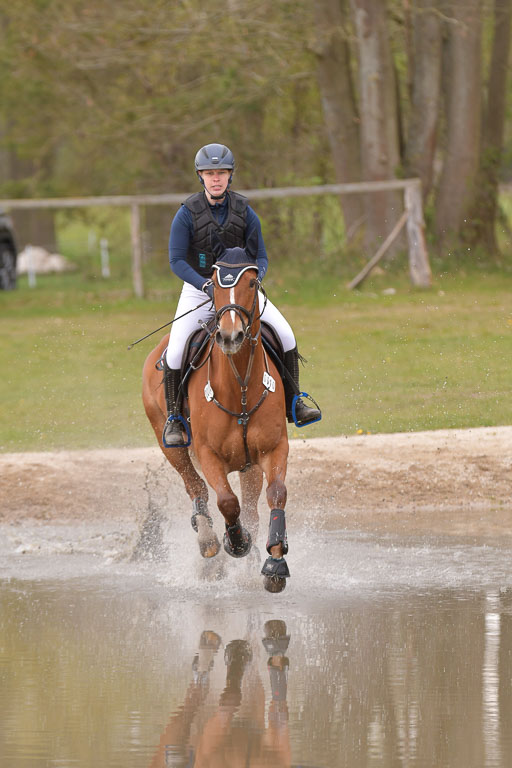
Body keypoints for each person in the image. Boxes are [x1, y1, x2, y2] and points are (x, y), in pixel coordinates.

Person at [163, 142, 321, 447]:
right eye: (210, 173)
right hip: (200, 290)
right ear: (200, 176)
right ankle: (174, 418)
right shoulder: (186, 214)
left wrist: (255, 279)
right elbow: (176, 261)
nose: (216, 178)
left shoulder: (245, 211)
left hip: (241, 290)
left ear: (230, 175)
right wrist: (205, 285)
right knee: (176, 348)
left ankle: (295, 402)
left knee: (286, 334)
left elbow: (261, 256)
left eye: (221, 172)